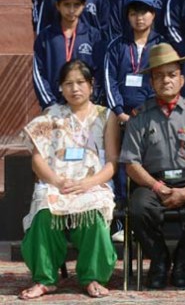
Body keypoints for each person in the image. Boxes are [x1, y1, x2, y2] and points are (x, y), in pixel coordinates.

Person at [120, 43, 185, 289]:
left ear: (182, 79)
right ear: (151, 82)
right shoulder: (139, 116)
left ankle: (183, 260)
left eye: (172, 75)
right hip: (152, 181)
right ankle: (159, 260)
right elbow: (131, 163)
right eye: (159, 76)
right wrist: (157, 186)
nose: (166, 80)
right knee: (137, 209)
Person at [19, 60, 119, 300]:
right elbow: (37, 160)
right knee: (44, 212)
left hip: (92, 184)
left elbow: (112, 163)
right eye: (68, 83)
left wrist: (88, 183)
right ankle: (45, 279)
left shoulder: (106, 116)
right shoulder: (50, 115)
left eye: (80, 82)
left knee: (93, 214)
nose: (75, 89)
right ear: (60, 88)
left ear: (91, 85)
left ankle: (92, 277)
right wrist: (56, 180)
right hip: (57, 184)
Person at [33, 0, 104, 109]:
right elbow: (38, 72)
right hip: (54, 106)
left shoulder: (93, 35)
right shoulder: (46, 36)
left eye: (76, 5)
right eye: (66, 5)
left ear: (84, 6)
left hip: (85, 106)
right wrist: (50, 104)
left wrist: (92, 100)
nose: (71, 10)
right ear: (58, 6)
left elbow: (99, 71)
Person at [104, 0, 164, 124]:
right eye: (133, 13)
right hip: (120, 116)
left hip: (153, 115)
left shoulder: (161, 45)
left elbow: (162, 79)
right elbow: (110, 81)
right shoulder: (116, 46)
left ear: (153, 14)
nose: (139, 18)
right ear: (127, 16)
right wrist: (119, 112)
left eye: (144, 12)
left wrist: (150, 110)